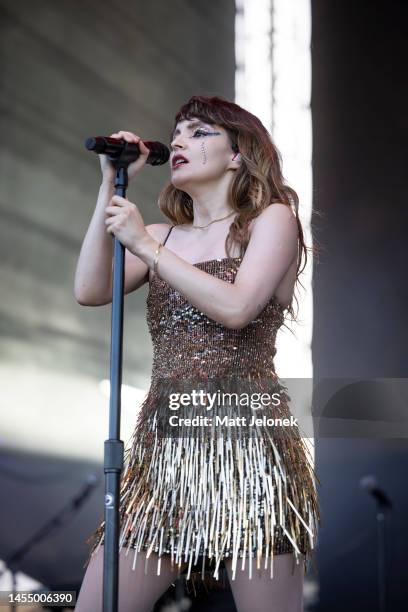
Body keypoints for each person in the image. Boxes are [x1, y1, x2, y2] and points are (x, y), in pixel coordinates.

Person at [74, 95, 321, 612]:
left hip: (250, 445)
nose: (180, 141)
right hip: (162, 447)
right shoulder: (163, 235)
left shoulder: (270, 222)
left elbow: (236, 308)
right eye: (178, 132)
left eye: (199, 131)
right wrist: (110, 184)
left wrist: (145, 246)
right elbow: (91, 289)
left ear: (238, 154)